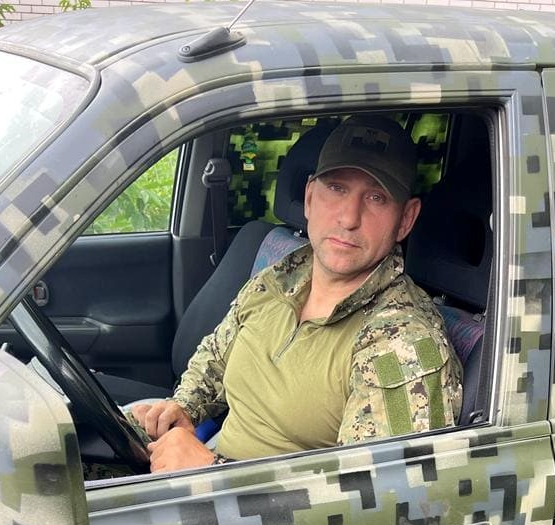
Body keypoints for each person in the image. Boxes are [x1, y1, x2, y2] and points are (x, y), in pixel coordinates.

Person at [130, 115, 463, 473]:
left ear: (406, 219)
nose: (349, 218)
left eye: (376, 197)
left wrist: (211, 470)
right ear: (309, 198)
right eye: (336, 188)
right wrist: (184, 408)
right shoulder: (278, 278)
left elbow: (381, 492)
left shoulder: (403, 342)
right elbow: (217, 355)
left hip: (241, 503)